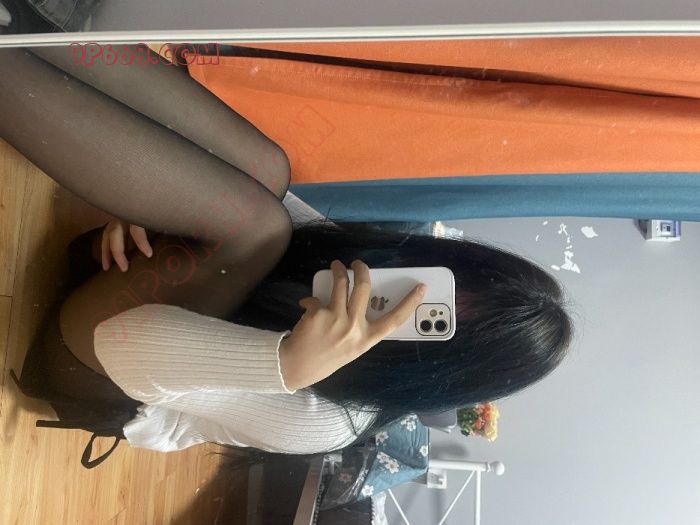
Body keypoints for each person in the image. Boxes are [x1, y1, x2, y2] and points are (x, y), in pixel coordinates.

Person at [0, 46, 572, 459]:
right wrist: (147, 196)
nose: (397, 303)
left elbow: (124, 347)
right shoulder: (359, 264)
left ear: (434, 373)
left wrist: (287, 366)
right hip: (129, 281)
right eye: (431, 288)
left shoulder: (329, 422)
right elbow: (215, 197)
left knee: (259, 226)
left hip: (100, 369)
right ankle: (34, 29)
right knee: (268, 172)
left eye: (429, 325)